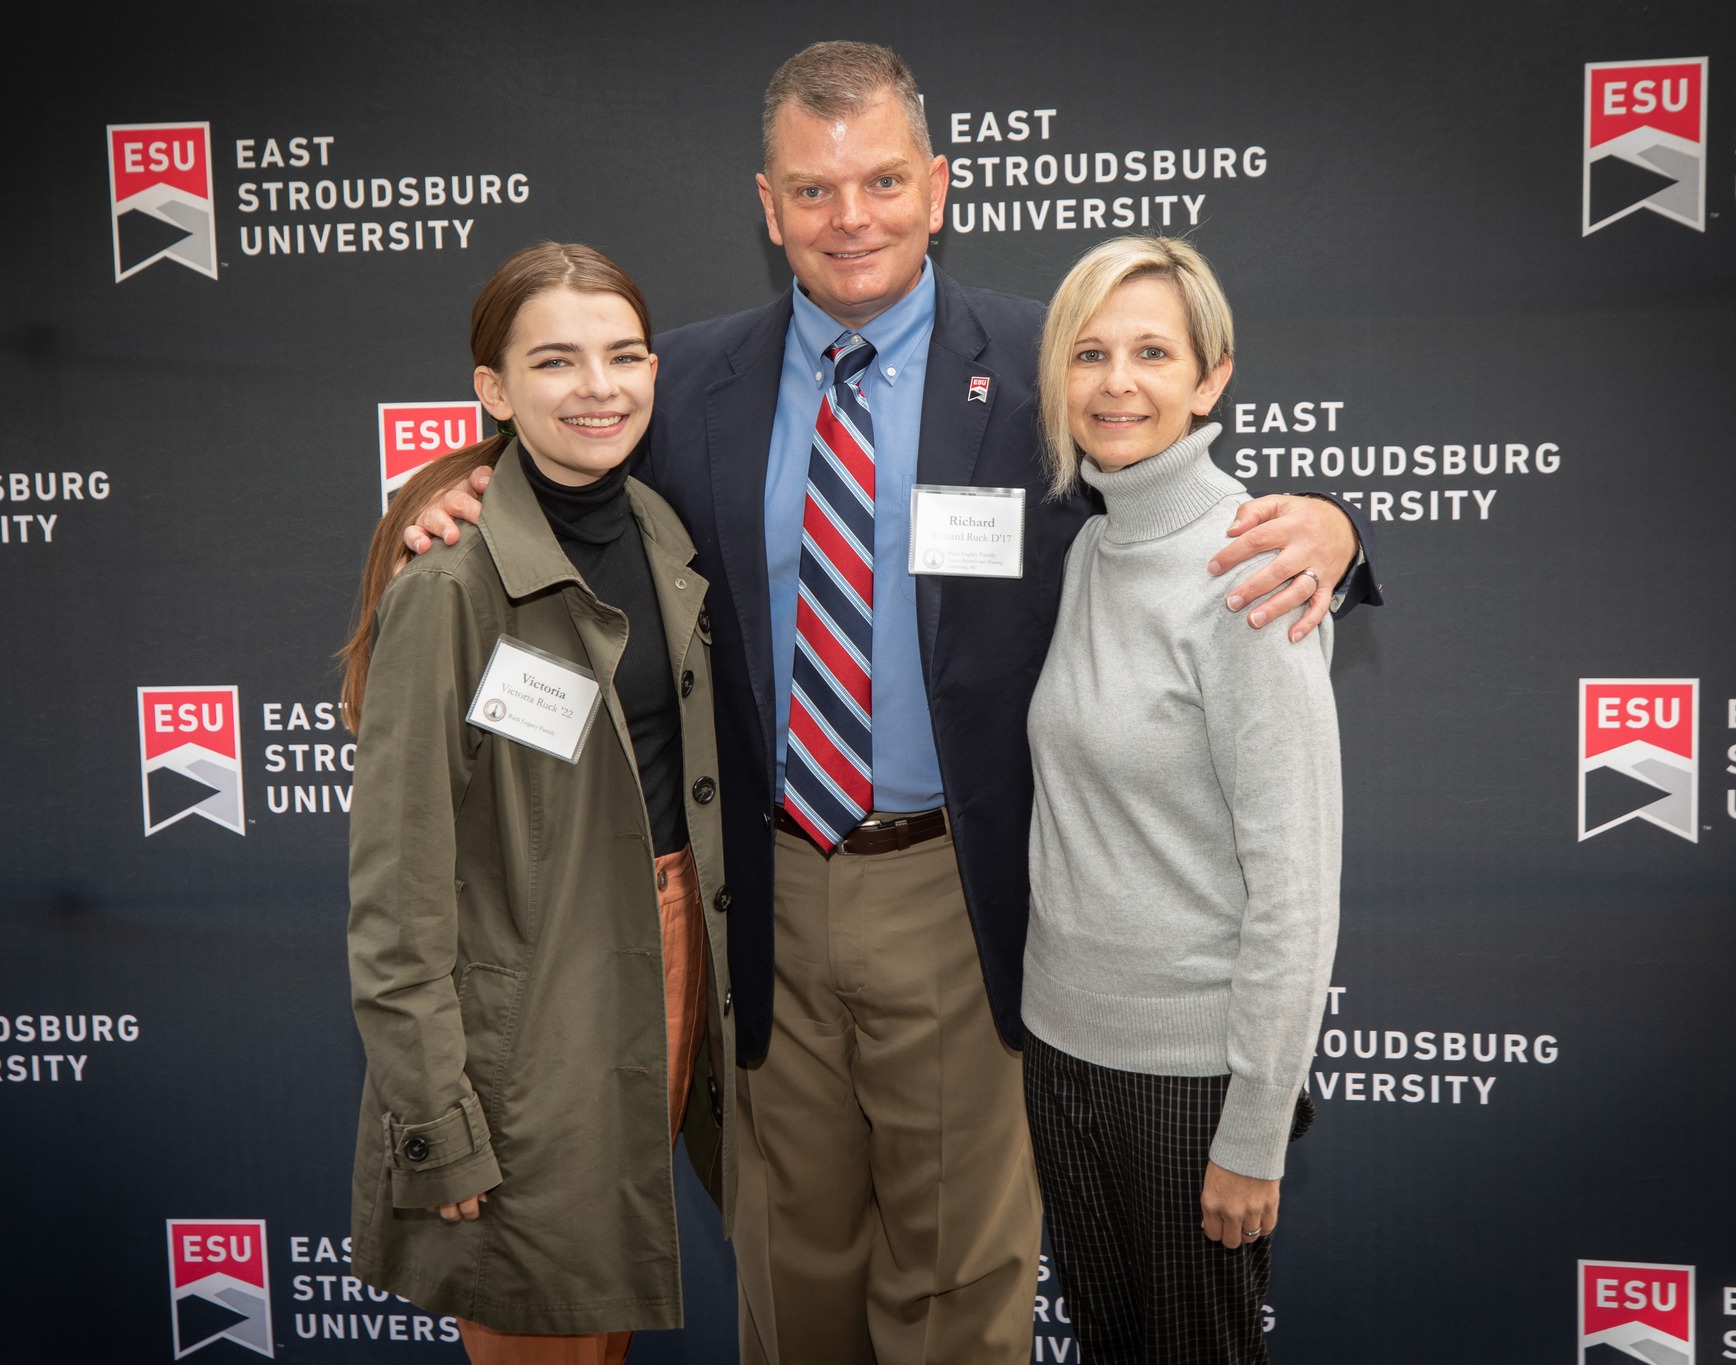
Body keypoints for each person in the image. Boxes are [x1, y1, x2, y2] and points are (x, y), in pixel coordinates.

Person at [398, 43, 1379, 1365]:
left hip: (959, 897)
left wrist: (1336, 526)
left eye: (880, 181)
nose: (848, 216)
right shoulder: (680, 381)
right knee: (791, 1283)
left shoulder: (1049, 359)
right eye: (813, 190)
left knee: (961, 1288)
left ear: (939, 187)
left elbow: (1180, 502)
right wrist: (446, 494)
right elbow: (554, 472)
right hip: (770, 895)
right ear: (767, 206)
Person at [340, 242, 734, 1365]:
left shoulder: (661, 533)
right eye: (555, 361)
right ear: (494, 391)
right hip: (526, 1020)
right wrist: (434, 1122)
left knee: (593, 1322)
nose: (597, 387)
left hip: (663, 965)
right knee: (538, 1330)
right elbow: (393, 893)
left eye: (622, 355)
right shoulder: (449, 585)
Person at [1022, 235, 1340, 1365]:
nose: (1116, 382)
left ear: (1209, 378)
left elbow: (1294, 884)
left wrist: (1254, 1132)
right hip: (1060, 1052)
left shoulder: (1250, 567)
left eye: (1152, 352)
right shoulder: (1088, 549)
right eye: (1089, 352)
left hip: (1188, 1081)